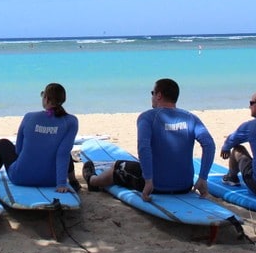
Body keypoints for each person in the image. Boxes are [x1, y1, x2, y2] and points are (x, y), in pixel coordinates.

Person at [83, 78, 213, 201]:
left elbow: (144, 148)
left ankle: (92, 181)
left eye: (152, 92)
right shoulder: (191, 118)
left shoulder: (147, 117)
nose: (152, 96)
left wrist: (149, 181)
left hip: (156, 186)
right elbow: (209, 145)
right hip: (185, 186)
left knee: (118, 166)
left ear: (159, 95)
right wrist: (203, 178)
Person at [0, 83, 80, 193]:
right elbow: (62, 153)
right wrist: (61, 183)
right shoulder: (71, 121)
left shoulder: (29, 117)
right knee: (63, 148)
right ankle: (74, 182)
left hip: (21, 177)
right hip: (52, 180)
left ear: (46, 98)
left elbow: (18, 150)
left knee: (3, 143)